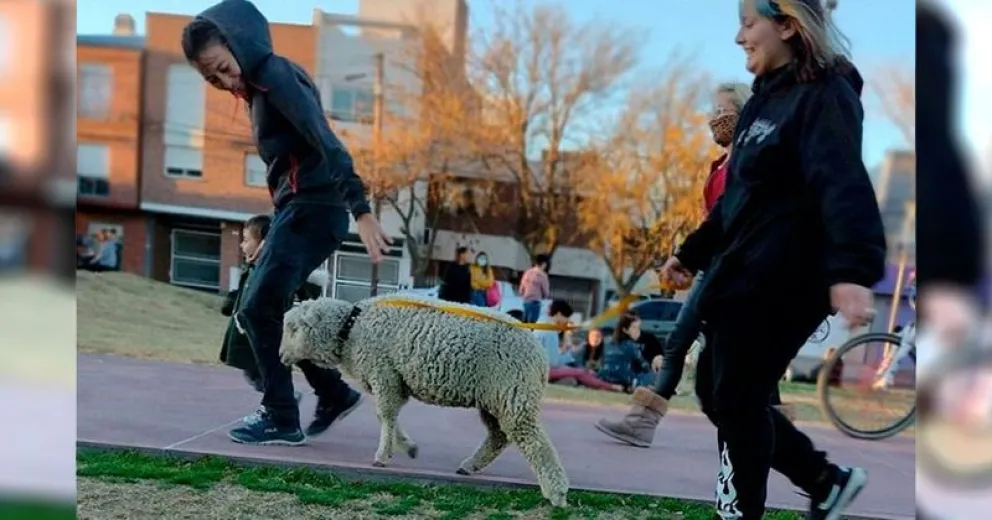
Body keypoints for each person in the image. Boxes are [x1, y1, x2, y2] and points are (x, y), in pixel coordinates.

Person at [658, 1, 887, 518]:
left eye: (747, 23)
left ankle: (758, 506)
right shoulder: (762, 104)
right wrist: (691, 253)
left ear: (787, 25)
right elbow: (738, 199)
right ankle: (825, 480)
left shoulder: (826, 94)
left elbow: (843, 180)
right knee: (718, 394)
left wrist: (852, 271)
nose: (739, 37)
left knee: (737, 396)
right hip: (742, 273)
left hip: (789, 277)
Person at [181, 0, 392, 446]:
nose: (224, 82)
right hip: (299, 212)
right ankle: (331, 393)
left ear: (240, 42)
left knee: (258, 308)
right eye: (212, 79)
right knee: (272, 310)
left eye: (222, 67)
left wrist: (362, 209)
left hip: (315, 210)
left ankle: (281, 415)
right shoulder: (260, 85)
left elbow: (325, 141)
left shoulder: (275, 78)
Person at [597, 82, 794, 445]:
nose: (716, 118)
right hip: (713, 265)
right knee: (692, 343)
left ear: (743, 111)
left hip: (733, 267)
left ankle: (777, 436)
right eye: (714, 111)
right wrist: (689, 257)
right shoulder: (721, 164)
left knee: (734, 351)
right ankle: (645, 422)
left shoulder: (751, 161)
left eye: (723, 110)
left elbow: (736, 219)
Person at [221, 214, 348, 424]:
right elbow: (242, 293)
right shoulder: (256, 270)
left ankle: (284, 401)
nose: (242, 245)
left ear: (263, 242)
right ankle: (288, 399)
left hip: (271, 329)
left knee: (284, 358)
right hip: (254, 332)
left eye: (246, 239)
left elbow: (304, 288)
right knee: (260, 367)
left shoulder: (276, 270)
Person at [538, 301, 622, 391]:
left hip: (541, 368)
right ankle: (609, 386)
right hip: (544, 370)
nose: (566, 321)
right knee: (580, 372)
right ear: (558, 314)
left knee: (575, 374)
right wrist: (568, 355)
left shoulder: (541, 323)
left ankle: (601, 385)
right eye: (566, 317)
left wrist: (562, 353)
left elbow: (549, 356)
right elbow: (553, 363)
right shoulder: (550, 332)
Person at [597, 314, 656, 391]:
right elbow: (645, 366)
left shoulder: (606, 341)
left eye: (638, 328)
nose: (638, 331)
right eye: (634, 328)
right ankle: (639, 386)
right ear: (625, 330)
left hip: (604, 378)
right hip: (623, 381)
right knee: (653, 374)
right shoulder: (630, 345)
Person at [519, 254, 551, 323]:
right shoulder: (542, 275)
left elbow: (521, 289)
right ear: (544, 263)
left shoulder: (527, 272)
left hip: (526, 301)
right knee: (532, 325)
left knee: (524, 324)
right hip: (535, 302)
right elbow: (546, 293)